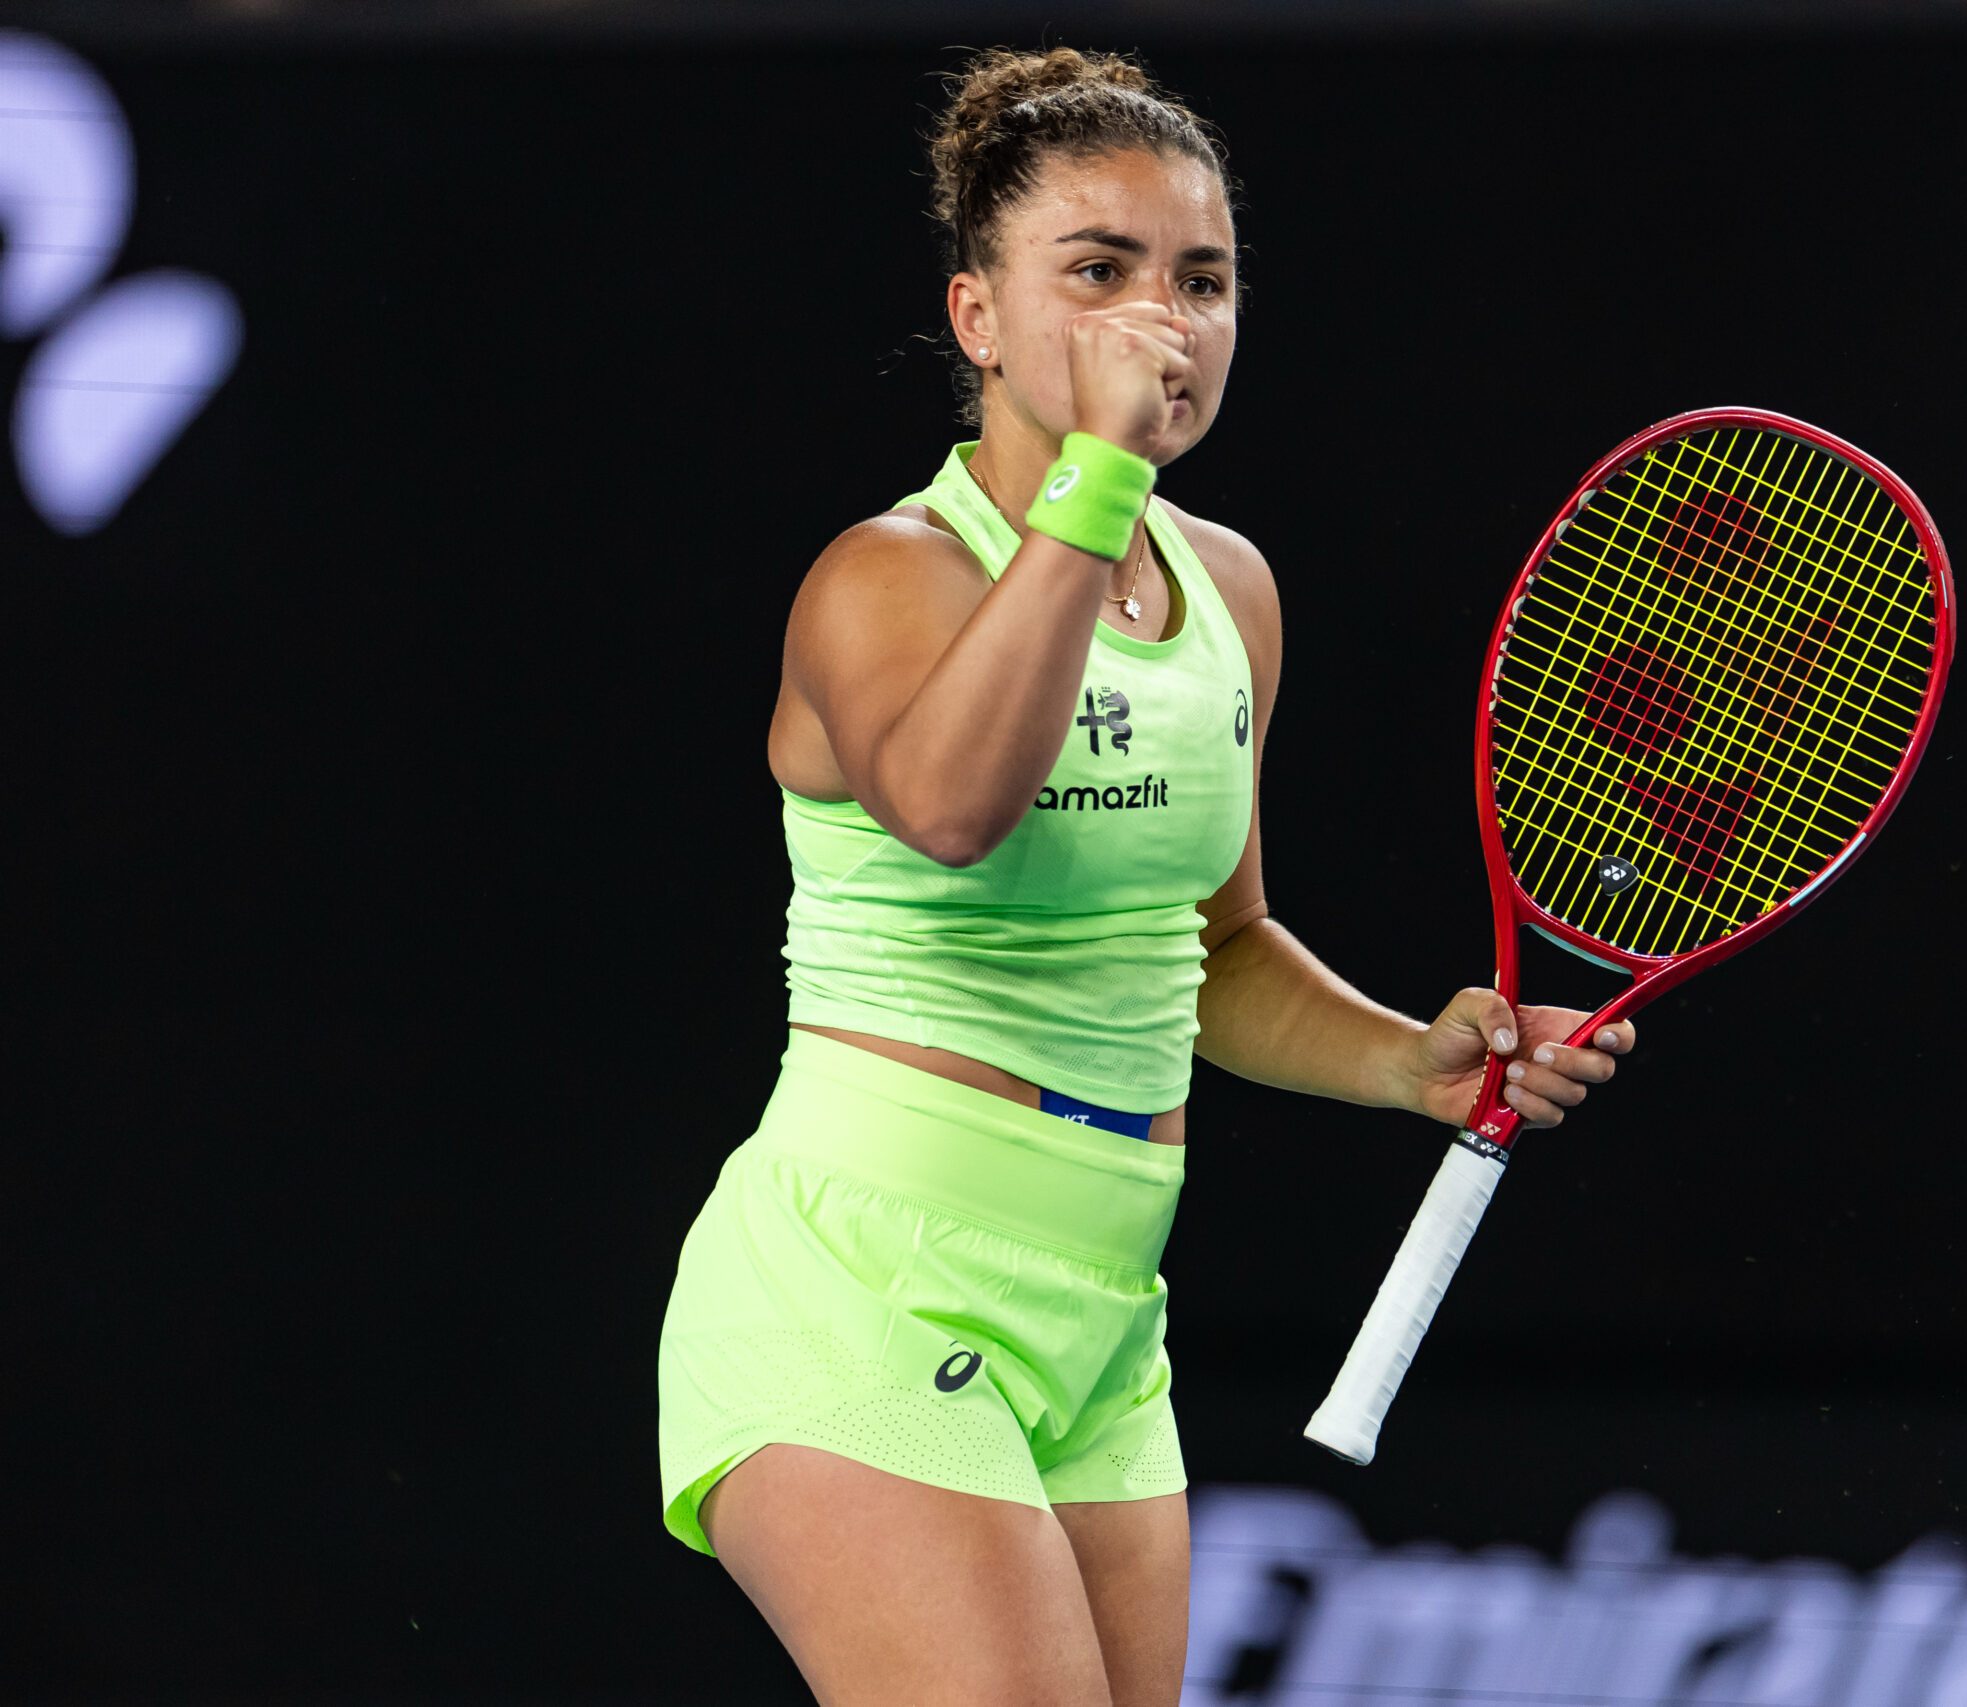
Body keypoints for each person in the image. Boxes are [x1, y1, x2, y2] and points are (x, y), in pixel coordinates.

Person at [656, 44, 1635, 1707]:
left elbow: (1218, 948)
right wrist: (1097, 481)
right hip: (865, 1281)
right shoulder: (883, 578)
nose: (1158, 324)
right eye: (1096, 274)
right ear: (978, 317)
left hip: (1104, 1317)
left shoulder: (1230, 591)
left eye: (1203, 281)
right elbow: (956, 804)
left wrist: (1405, 1056)